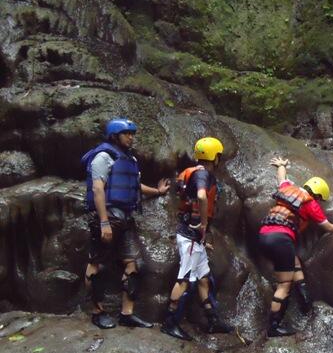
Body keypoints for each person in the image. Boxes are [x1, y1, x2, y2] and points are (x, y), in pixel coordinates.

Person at [258, 157, 333, 337]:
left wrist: (281, 165)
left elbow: (281, 178)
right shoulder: (310, 203)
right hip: (281, 238)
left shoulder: (288, 189)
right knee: (284, 284)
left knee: (293, 260)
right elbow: (327, 226)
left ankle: (305, 296)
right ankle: (273, 327)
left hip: (264, 235)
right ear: (318, 195)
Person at [81, 118, 170, 329]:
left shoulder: (129, 159)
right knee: (97, 264)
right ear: (114, 136)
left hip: (126, 219)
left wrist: (157, 191)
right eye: (126, 133)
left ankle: (126, 313)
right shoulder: (103, 156)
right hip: (107, 217)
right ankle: (97, 311)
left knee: (133, 264)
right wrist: (104, 222)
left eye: (132, 133)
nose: (131, 137)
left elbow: (134, 184)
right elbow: (97, 189)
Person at [160, 137, 234, 341]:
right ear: (214, 157)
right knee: (184, 279)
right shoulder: (203, 174)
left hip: (193, 237)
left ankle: (212, 320)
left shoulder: (191, 173)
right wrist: (202, 223)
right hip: (190, 235)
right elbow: (201, 197)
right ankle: (170, 322)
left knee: (203, 279)